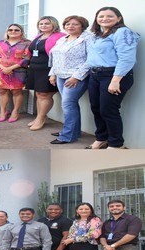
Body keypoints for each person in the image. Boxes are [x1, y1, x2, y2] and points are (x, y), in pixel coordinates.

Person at [86, 7, 140, 149]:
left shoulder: (123, 32)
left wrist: (115, 80)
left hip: (114, 75)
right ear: (96, 19)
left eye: (110, 16)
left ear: (119, 18)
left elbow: (127, 58)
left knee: (108, 110)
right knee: (96, 108)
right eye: (101, 16)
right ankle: (101, 138)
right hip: (95, 75)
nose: (104, 19)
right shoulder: (96, 35)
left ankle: (116, 144)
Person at [48, 16, 92, 144]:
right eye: (67, 24)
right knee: (70, 104)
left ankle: (67, 136)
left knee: (67, 104)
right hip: (61, 75)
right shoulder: (63, 39)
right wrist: (53, 74)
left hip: (76, 77)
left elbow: (90, 60)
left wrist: (76, 77)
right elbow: (55, 58)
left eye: (75, 24)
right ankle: (74, 131)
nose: (70, 26)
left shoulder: (88, 39)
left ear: (82, 26)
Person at [26, 16, 65, 131]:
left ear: (54, 24)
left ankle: (41, 119)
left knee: (45, 94)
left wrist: (54, 72)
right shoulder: (39, 36)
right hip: (35, 68)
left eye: (47, 23)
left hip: (48, 69)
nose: (43, 26)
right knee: (39, 94)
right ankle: (39, 117)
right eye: (41, 24)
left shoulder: (60, 36)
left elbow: (60, 55)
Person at [0, 24, 30, 123]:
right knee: (3, 91)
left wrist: (11, 68)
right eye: (10, 30)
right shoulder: (0, 43)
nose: (13, 32)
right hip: (2, 71)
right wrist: (3, 67)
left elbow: (26, 58)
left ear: (21, 32)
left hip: (19, 71)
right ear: (7, 31)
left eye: (17, 30)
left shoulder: (27, 43)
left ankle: (15, 111)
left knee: (17, 91)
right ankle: (2, 112)